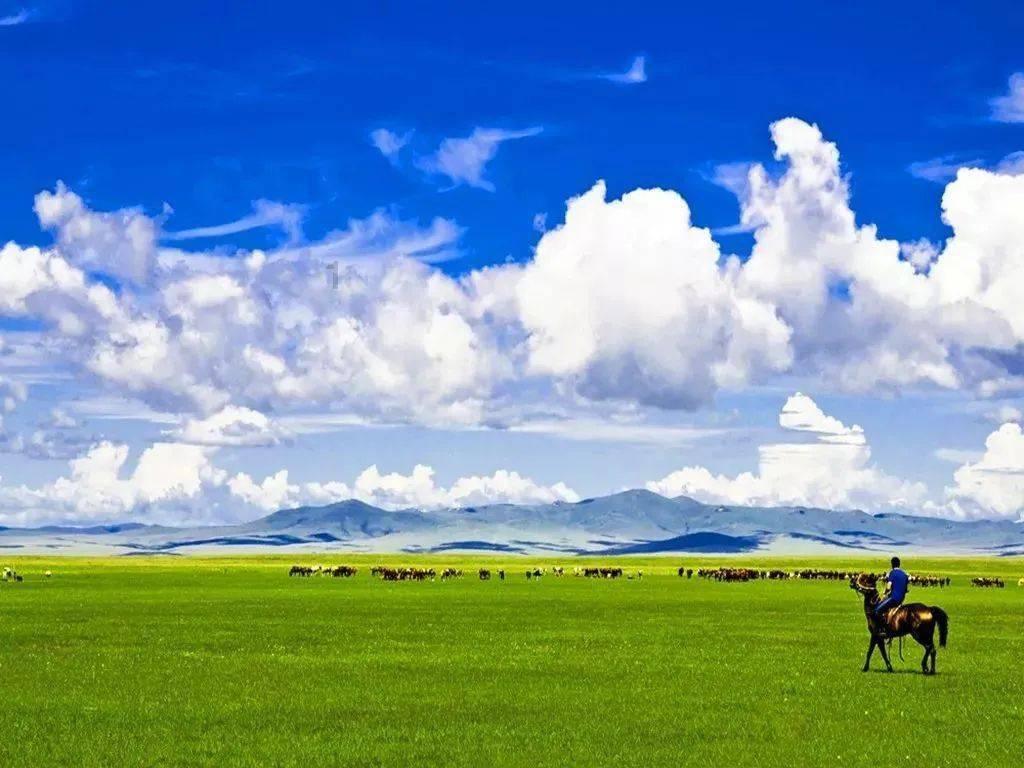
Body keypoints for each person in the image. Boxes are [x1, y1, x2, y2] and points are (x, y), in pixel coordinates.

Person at [874, 556, 909, 635]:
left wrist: (885, 592)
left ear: (892, 564)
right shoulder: (904, 574)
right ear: (899, 564)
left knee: (877, 610)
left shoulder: (892, 573)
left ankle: (882, 630)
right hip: (901, 599)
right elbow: (906, 590)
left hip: (894, 598)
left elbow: (888, 586)